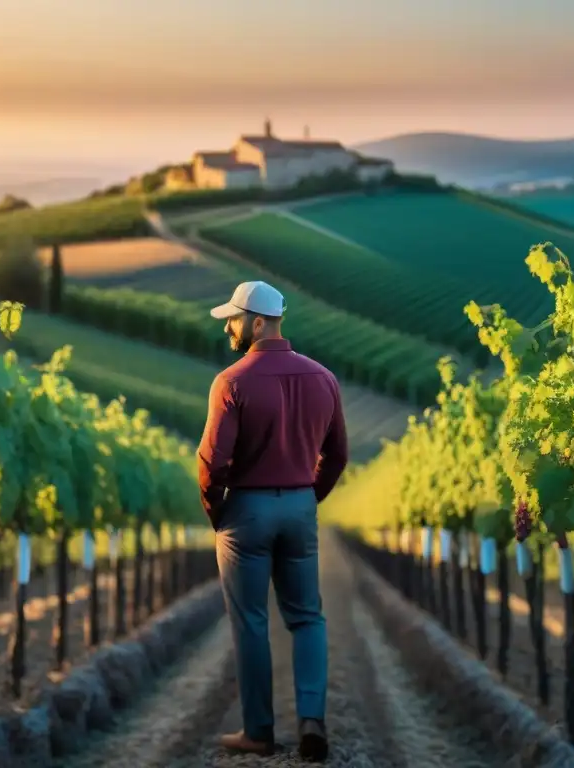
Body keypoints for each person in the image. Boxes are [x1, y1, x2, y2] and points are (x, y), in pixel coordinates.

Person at [198, 280, 348, 762]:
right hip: (300, 507)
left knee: (251, 622)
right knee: (307, 616)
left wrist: (217, 511)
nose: (227, 327)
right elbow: (338, 455)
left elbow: (212, 464)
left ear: (257, 322)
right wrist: (308, 497)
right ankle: (311, 721)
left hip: (247, 511)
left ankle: (259, 732)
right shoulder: (324, 378)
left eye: (233, 319)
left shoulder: (232, 382)